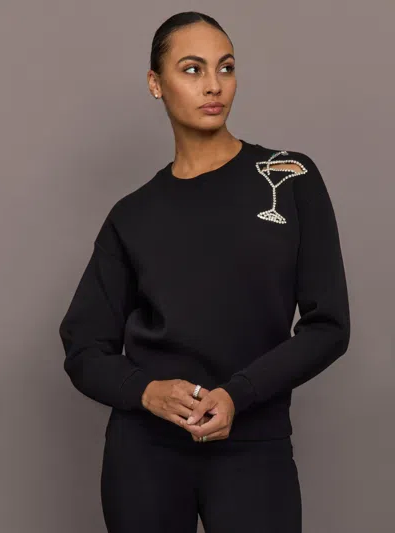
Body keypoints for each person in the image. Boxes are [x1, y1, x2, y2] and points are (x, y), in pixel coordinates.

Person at [58, 11, 351, 533]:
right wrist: (147, 391)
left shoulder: (290, 178)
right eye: (192, 69)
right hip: (145, 452)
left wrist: (239, 393)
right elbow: (83, 347)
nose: (214, 85)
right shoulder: (133, 215)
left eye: (226, 67)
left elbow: (329, 326)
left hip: (254, 446)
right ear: (156, 83)